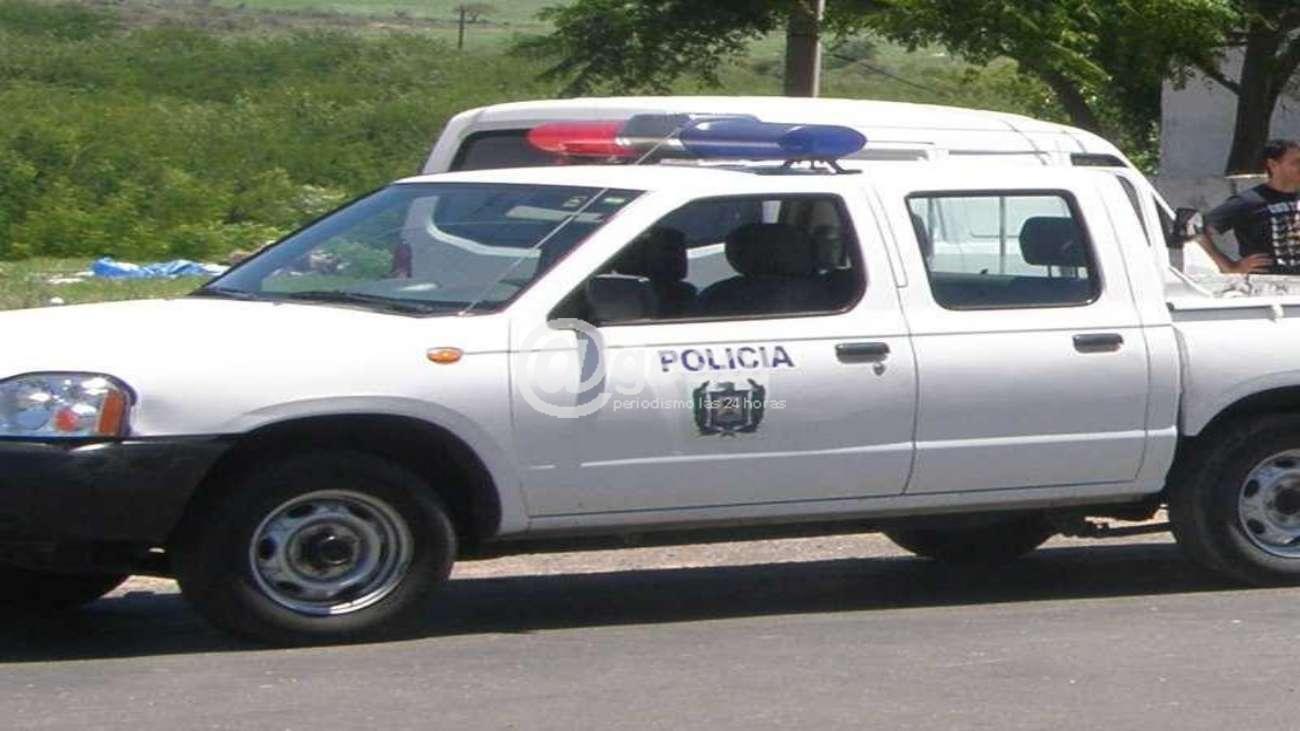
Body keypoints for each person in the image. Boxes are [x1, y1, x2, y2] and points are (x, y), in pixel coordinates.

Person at [1197, 138, 1300, 274]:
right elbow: (1195, 230)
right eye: (1296, 162)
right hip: (1266, 284)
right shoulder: (1248, 202)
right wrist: (1230, 266)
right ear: (1273, 164)